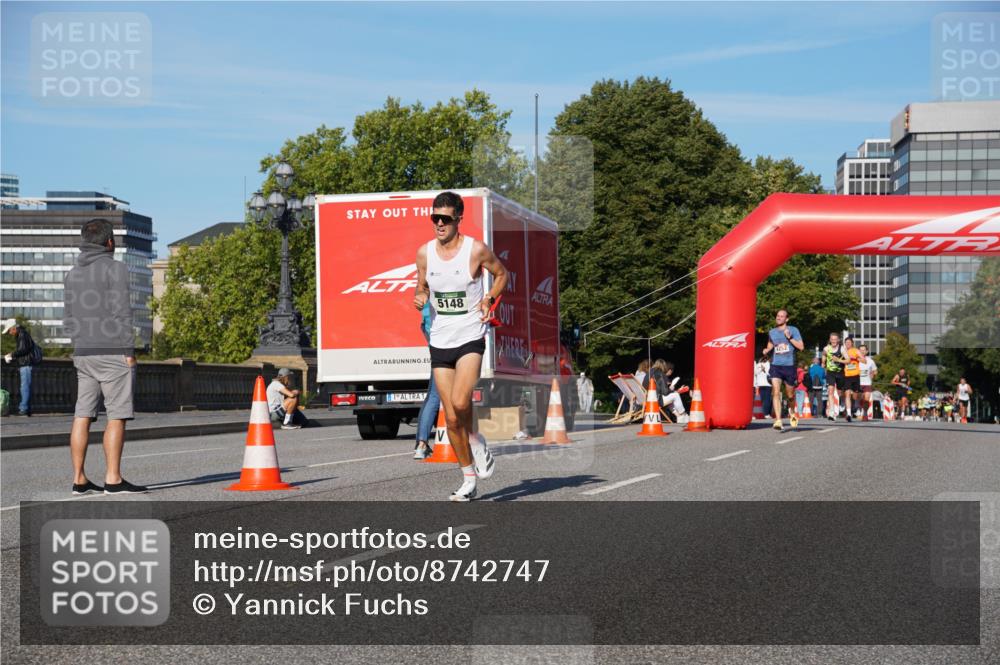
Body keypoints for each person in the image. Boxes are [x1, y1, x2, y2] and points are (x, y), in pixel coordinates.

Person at [413, 191, 508, 502]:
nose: (439, 224)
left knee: (460, 402)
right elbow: (422, 283)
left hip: (469, 335)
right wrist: (421, 295)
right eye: (435, 218)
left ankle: (476, 440)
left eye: (445, 218)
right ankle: (468, 477)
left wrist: (488, 298)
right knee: (450, 416)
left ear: (458, 219)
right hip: (439, 338)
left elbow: (501, 274)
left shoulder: (475, 250)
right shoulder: (425, 253)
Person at [63, 218, 147, 495]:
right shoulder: (115, 269)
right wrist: (129, 351)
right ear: (109, 242)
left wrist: (79, 343)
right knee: (117, 415)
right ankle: (113, 479)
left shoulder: (72, 274)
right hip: (112, 351)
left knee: (82, 414)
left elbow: (69, 317)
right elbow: (122, 312)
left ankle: (79, 479)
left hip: (83, 352)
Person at [760, 309, 804, 432]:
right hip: (776, 365)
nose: (778, 318)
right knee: (775, 392)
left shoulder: (793, 330)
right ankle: (778, 420)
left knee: (790, 395)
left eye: (781, 316)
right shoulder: (772, 332)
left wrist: (789, 338)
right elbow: (770, 344)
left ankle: (792, 412)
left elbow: (801, 347)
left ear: (787, 319)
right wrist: (766, 350)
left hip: (789, 366)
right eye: (777, 316)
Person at [414, 301, 441, 459]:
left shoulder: (425, 287)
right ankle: (422, 444)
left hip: (436, 341)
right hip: (450, 341)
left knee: (433, 396)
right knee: (436, 396)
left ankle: (421, 444)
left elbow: (425, 324)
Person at [3, 323, 39, 416]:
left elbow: (23, 349)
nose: (10, 333)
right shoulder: (23, 334)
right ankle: (27, 409)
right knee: (27, 387)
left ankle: (23, 409)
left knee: (25, 387)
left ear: (13, 328)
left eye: (9, 331)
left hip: (26, 364)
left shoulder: (22, 335)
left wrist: (11, 354)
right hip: (27, 364)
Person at [822, 333, 846, 421]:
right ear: (830, 339)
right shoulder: (826, 348)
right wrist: (823, 362)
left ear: (838, 340)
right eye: (832, 339)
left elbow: (848, 360)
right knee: (830, 391)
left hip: (840, 372)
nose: (833, 341)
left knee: (840, 392)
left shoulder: (842, 349)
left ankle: (842, 402)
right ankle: (832, 412)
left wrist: (838, 360)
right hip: (830, 372)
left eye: (835, 339)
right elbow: (824, 354)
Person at [840, 337, 862, 422]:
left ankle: (855, 407)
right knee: (847, 394)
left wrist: (855, 358)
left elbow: (863, 360)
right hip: (847, 376)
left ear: (852, 343)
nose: (848, 344)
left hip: (856, 375)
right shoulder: (843, 352)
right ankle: (849, 414)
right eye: (846, 343)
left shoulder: (856, 351)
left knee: (855, 395)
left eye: (849, 342)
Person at [857, 344, 877, 421]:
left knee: (866, 399)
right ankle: (859, 409)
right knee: (858, 398)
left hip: (867, 383)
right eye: (860, 350)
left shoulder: (870, 361)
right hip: (858, 383)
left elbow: (875, 371)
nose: (862, 351)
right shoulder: (856, 360)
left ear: (867, 351)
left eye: (864, 350)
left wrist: (872, 374)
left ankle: (865, 413)